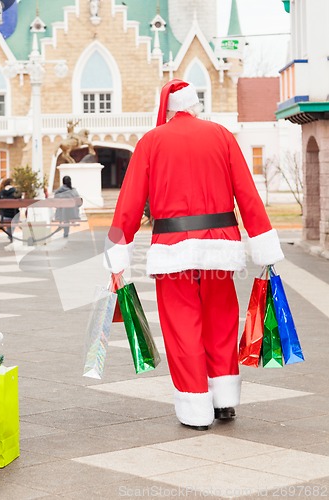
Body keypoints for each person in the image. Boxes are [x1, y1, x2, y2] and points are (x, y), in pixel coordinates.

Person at [104, 79, 284, 430]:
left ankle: (195, 408)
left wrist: (117, 252)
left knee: (182, 328)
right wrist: (263, 243)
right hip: (221, 248)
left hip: (172, 252)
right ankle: (224, 401)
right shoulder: (221, 135)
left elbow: (128, 204)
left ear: (167, 110)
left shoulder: (151, 142)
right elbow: (246, 193)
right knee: (221, 322)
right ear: (194, 106)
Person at [0, 177, 21, 243]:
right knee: (13, 216)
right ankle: (10, 234)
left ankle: (9, 234)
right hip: (14, 216)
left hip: (3, 217)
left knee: (7, 217)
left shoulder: (1, 192)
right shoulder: (16, 191)